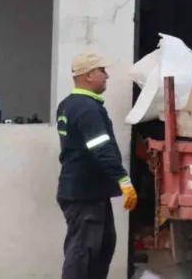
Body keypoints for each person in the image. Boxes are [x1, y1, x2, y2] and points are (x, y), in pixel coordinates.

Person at [55, 52, 137, 279]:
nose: (107, 75)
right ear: (88, 76)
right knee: (83, 254)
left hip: (89, 192)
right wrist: (124, 180)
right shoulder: (87, 109)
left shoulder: (69, 105)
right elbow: (101, 149)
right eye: (102, 71)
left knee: (103, 247)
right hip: (84, 194)